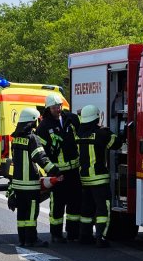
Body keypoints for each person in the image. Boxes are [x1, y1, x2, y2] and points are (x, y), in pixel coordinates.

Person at [36, 92, 82, 243]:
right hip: (58, 172)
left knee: (75, 202)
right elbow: (41, 152)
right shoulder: (44, 126)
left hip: (74, 170)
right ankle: (56, 234)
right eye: (55, 107)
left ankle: (73, 233)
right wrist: (53, 172)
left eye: (59, 106)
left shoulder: (71, 119)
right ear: (48, 108)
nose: (58, 109)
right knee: (57, 204)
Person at [76, 104, 123, 248]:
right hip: (99, 180)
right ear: (96, 118)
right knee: (103, 209)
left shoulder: (78, 135)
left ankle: (84, 236)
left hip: (84, 179)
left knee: (86, 210)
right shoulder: (101, 134)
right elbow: (117, 143)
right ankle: (100, 237)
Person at [11, 107, 58, 247]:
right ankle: (31, 239)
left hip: (18, 185)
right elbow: (41, 158)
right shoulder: (32, 138)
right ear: (32, 122)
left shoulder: (16, 139)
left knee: (22, 213)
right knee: (32, 213)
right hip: (30, 185)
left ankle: (22, 239)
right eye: (37, 120)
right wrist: (55, 171)